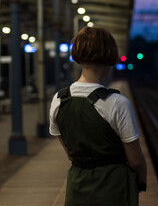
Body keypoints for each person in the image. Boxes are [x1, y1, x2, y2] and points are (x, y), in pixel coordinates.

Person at [49, 26, 147, 206]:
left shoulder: (59, 100)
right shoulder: (118, 102)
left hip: (77, 188)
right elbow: (135, 161)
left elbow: (70, 153)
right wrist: (141, 182)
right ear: (110, 56)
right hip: (114, 189)